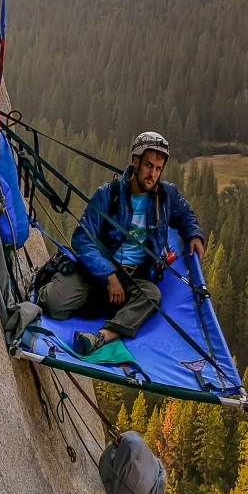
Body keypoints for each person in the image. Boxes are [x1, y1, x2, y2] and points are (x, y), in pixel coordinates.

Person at [37, 130, 207, 357]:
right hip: (96, 274)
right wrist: (109, 275)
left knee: (152, 295)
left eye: (158, 169)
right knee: (51, 304)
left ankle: (102, 336)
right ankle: (81, 294)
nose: (152, 174)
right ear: (134, 161)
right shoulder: (109, 194)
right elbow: (82, 238)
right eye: (148, 166)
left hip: (133, 280)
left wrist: (194, 234)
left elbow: (186, 214)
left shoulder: (166, 196)